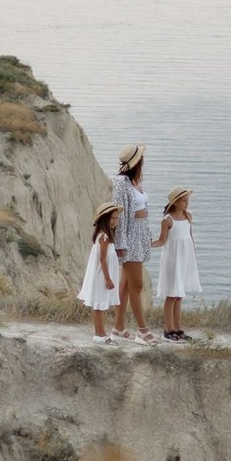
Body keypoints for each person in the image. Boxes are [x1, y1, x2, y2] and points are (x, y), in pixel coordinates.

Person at [110, 144, 158, 344]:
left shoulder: (134, 180)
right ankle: (142, 331)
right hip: (129, 238)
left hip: (139, 236)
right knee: (137, 285)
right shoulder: (121, 182)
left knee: (127, 284)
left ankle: (118, 328)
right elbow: (118, 212)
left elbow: (143, 210)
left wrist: (147, 234)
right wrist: (121, 243)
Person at [154, 186, 202, 341]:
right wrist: (147, 244)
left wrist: (192, 256)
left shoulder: (189, 216)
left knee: (179, 295)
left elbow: (190, 237)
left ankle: (178, 329)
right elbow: (162, 241)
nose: (187, 203)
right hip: (172, 260)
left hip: (185, 259)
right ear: (175, 202)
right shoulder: (168, 220)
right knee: (171, 295)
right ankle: (168, 330)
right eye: (184, 201)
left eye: (187, 200)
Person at [77, 202, 121, 343]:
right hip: (101, 276)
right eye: (112, 218)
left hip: (102, 275)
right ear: (104, 220)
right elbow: (102, 259)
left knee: (98, 305)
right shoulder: (104, 237)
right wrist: (108, 279)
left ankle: (99, 335)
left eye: (116, 218)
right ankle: (101, 334)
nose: (115, 221)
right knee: (99, 305)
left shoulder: (106, 236)